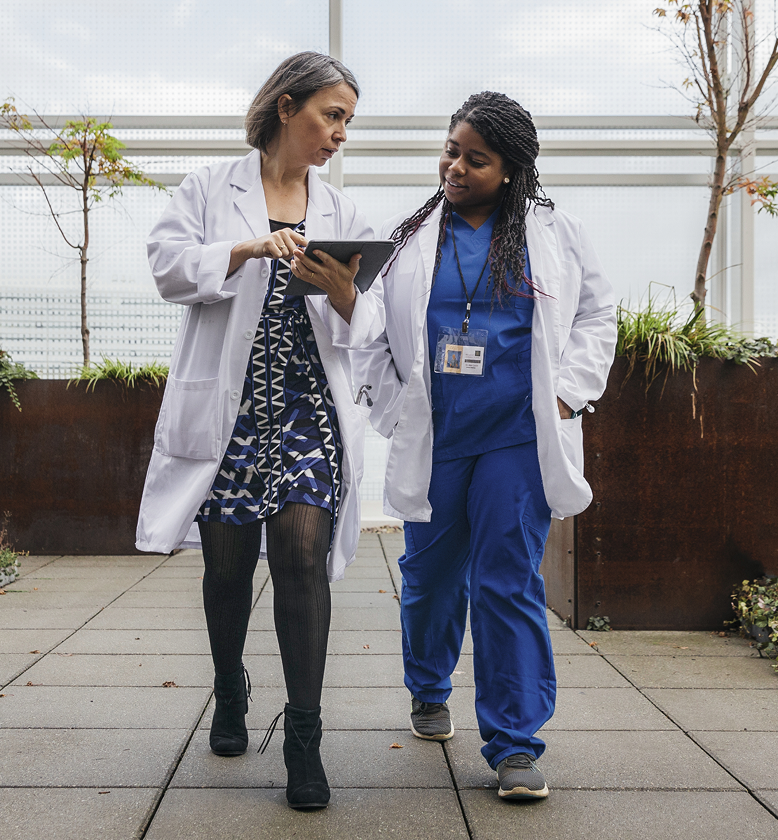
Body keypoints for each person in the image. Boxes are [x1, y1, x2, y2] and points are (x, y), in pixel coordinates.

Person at [135, 52, 385, 811]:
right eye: (330, 114)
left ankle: (304, 738)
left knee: (304, 560)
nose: (339, 133)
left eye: (347, 120)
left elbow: (369, 326)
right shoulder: (211, 189)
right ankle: (229, 686)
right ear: (286, 106)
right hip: (232, 417)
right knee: (227, 570)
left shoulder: (341, 214)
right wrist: (242, 250)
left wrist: (344, 293)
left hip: (309, 412)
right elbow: (167, 268)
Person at [353, 91, 616, 800]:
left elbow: (597, 313)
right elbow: (370, 331)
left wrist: (566, 395)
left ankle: (515, 743)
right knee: (431, 578)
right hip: (436, 435)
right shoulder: (408, 235)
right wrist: (393, 406)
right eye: (450, 150)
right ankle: (429, 683)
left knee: (507, 580)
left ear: (511, 170)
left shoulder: (553, 231)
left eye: (476, 159)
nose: (455, 167)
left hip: (518, 437)